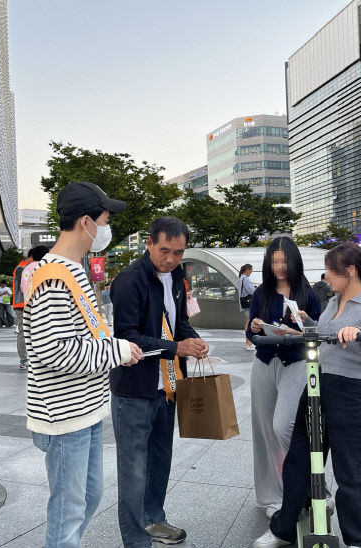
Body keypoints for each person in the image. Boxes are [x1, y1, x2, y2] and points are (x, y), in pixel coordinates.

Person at [24, 181, 142, 548]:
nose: (107, 229)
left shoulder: (72, 269)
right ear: (87, 222)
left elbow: (83, 334)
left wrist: (111, 346)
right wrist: (117, 351)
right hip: (62, 414)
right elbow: (53, 350)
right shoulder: (53, 276)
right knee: (69, 508)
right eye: (106, 220)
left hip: (85, 408)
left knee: (86, 498)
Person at [253, 243, 361, 548]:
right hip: (318, 388)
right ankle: (283, 530)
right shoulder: (334, 302)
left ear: (351, 271)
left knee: (351, 472)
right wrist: (308, 324)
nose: (327, 276)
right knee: (298, 461)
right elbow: (327, 335)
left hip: (352, 395)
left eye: (331, 270)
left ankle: (358, 540)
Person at [110, 216, 209, 548]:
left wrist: (193, 340)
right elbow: (126, 338)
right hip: (134, 390)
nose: (170, 259)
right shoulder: (129, 280)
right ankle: (136, 539)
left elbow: (178, 322)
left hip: (167, 386)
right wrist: (174, 347)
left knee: (160, 459)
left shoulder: (176, 277)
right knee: (134, 469)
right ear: (148, 242)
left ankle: (154, 519)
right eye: (164, 250)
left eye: (178, 253)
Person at [247, 236, 321, 519]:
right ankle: (273, 496)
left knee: (284, 427)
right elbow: (250, 335)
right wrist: (254, 327)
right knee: (264, 433)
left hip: (296, 363)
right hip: (265, 362)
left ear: (294, 261)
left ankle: (308, 484)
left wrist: (302, 327)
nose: (279, 267)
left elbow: (317, 331)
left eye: (284, 261)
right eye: (274, 261)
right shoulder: (261, 293)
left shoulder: (307, 293)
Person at [13, 246, 49, 369]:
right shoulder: (24, 267)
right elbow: (25, 288)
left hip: (25, 303)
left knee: (27, 332)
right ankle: (24, 360)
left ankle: (29, 359)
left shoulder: (23, 267)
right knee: (24, 332)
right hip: (23, 303)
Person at [239, 264, 256, 350]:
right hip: (248, 303)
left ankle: (247, 343)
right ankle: (248, 343)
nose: (251, 273)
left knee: (247, 322)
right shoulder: (245, 279)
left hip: (244, 303)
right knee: (249, 323)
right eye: (251, 271)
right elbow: (252, 291)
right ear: (248, 270)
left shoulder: (241, 278)